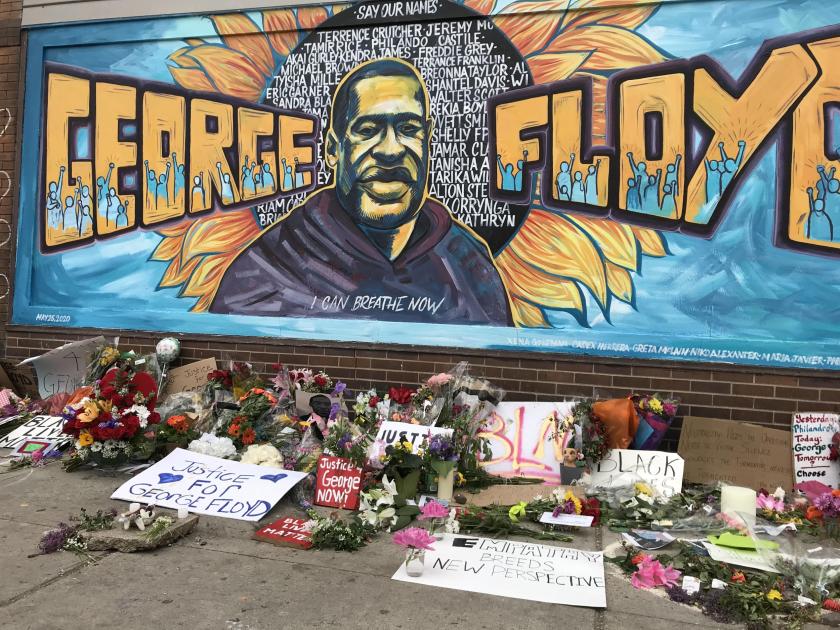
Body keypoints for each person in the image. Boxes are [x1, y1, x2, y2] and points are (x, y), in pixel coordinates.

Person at [210, 59, 511, 326]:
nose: (391, 151)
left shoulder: (468, 264)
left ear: (428, 139)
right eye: (367, 130)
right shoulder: (268, 269)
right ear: (332, 149)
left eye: (409, 128)